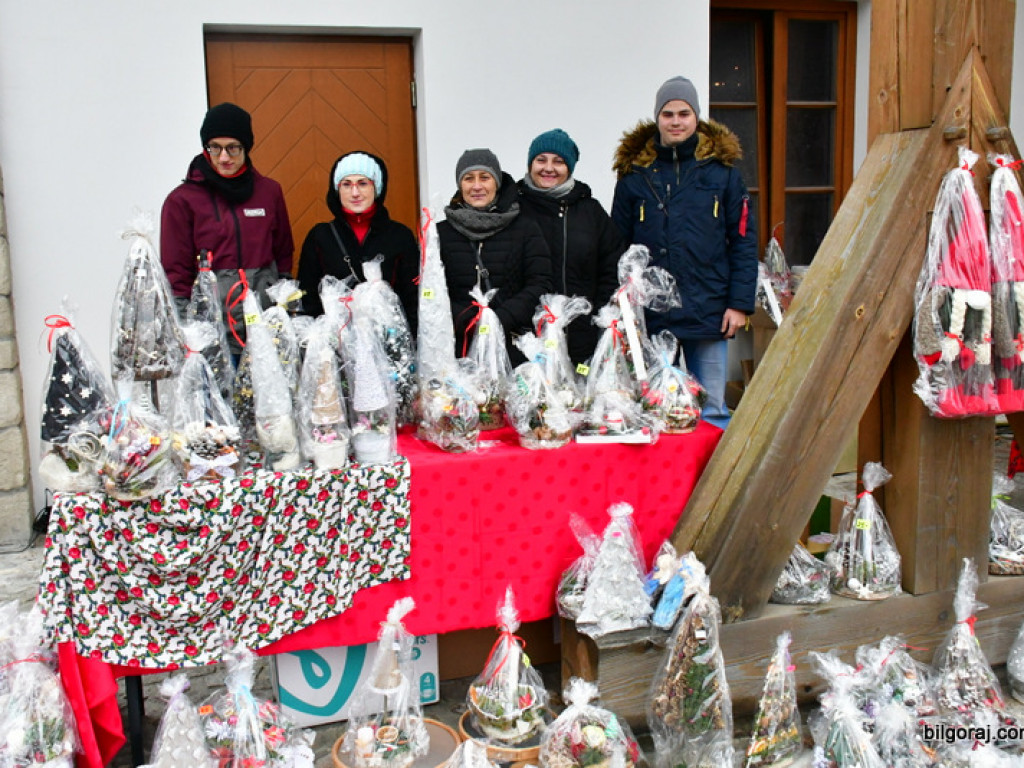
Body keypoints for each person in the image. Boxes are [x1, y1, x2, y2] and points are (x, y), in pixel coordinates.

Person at [611, 76, 757, 429]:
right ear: (657, 118)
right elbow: (618, 244)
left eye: (683, 113)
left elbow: (743, 241)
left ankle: (713, 467)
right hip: (652, 314)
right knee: (657, 409)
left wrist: (739, 304)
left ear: (696, 117)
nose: (675, 122)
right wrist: (621, 304)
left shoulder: (723, 175)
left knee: (712, 410)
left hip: (708, 309)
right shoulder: (634, 176)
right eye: (668, 114)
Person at [161, 102, 293, 354]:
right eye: (215, 147)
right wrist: (187, 328)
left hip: (264, 328)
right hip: (212, 333)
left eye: (233, 148)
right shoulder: (182, 201)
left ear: (246, 147)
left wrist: (281, 303)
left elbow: (283, 252)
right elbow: (176, 271)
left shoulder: (269, 192)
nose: (224, 157)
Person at [517, 129, 624, 364]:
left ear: (570, 167)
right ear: (530, 164)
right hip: (526, 341)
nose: (549, 168)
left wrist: (598, 318)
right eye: (541, 160)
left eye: (559, 161)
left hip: (582, 339)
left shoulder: (591, 212)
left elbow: (611, 268)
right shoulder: (513, 208)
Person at [437, 149, 553, 363]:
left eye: (485, 177)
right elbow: (429, 290)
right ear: (460, 184)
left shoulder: (525, 228)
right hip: (457, 351)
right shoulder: (440, 233)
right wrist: (466, 319)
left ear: (497, 182)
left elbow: (540, 283)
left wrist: (501, 318)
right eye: (468, 178)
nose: (477, 186)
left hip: (514, 351)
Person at [296, 151, 419, 327]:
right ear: (337, 190)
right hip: (336, 338)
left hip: (389, 338)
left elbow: (412, 297)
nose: (355, 193)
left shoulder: (399, 235)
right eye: (346, 184)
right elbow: (308, 297)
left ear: (376, 188)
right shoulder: (320, 236)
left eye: (363, 183)